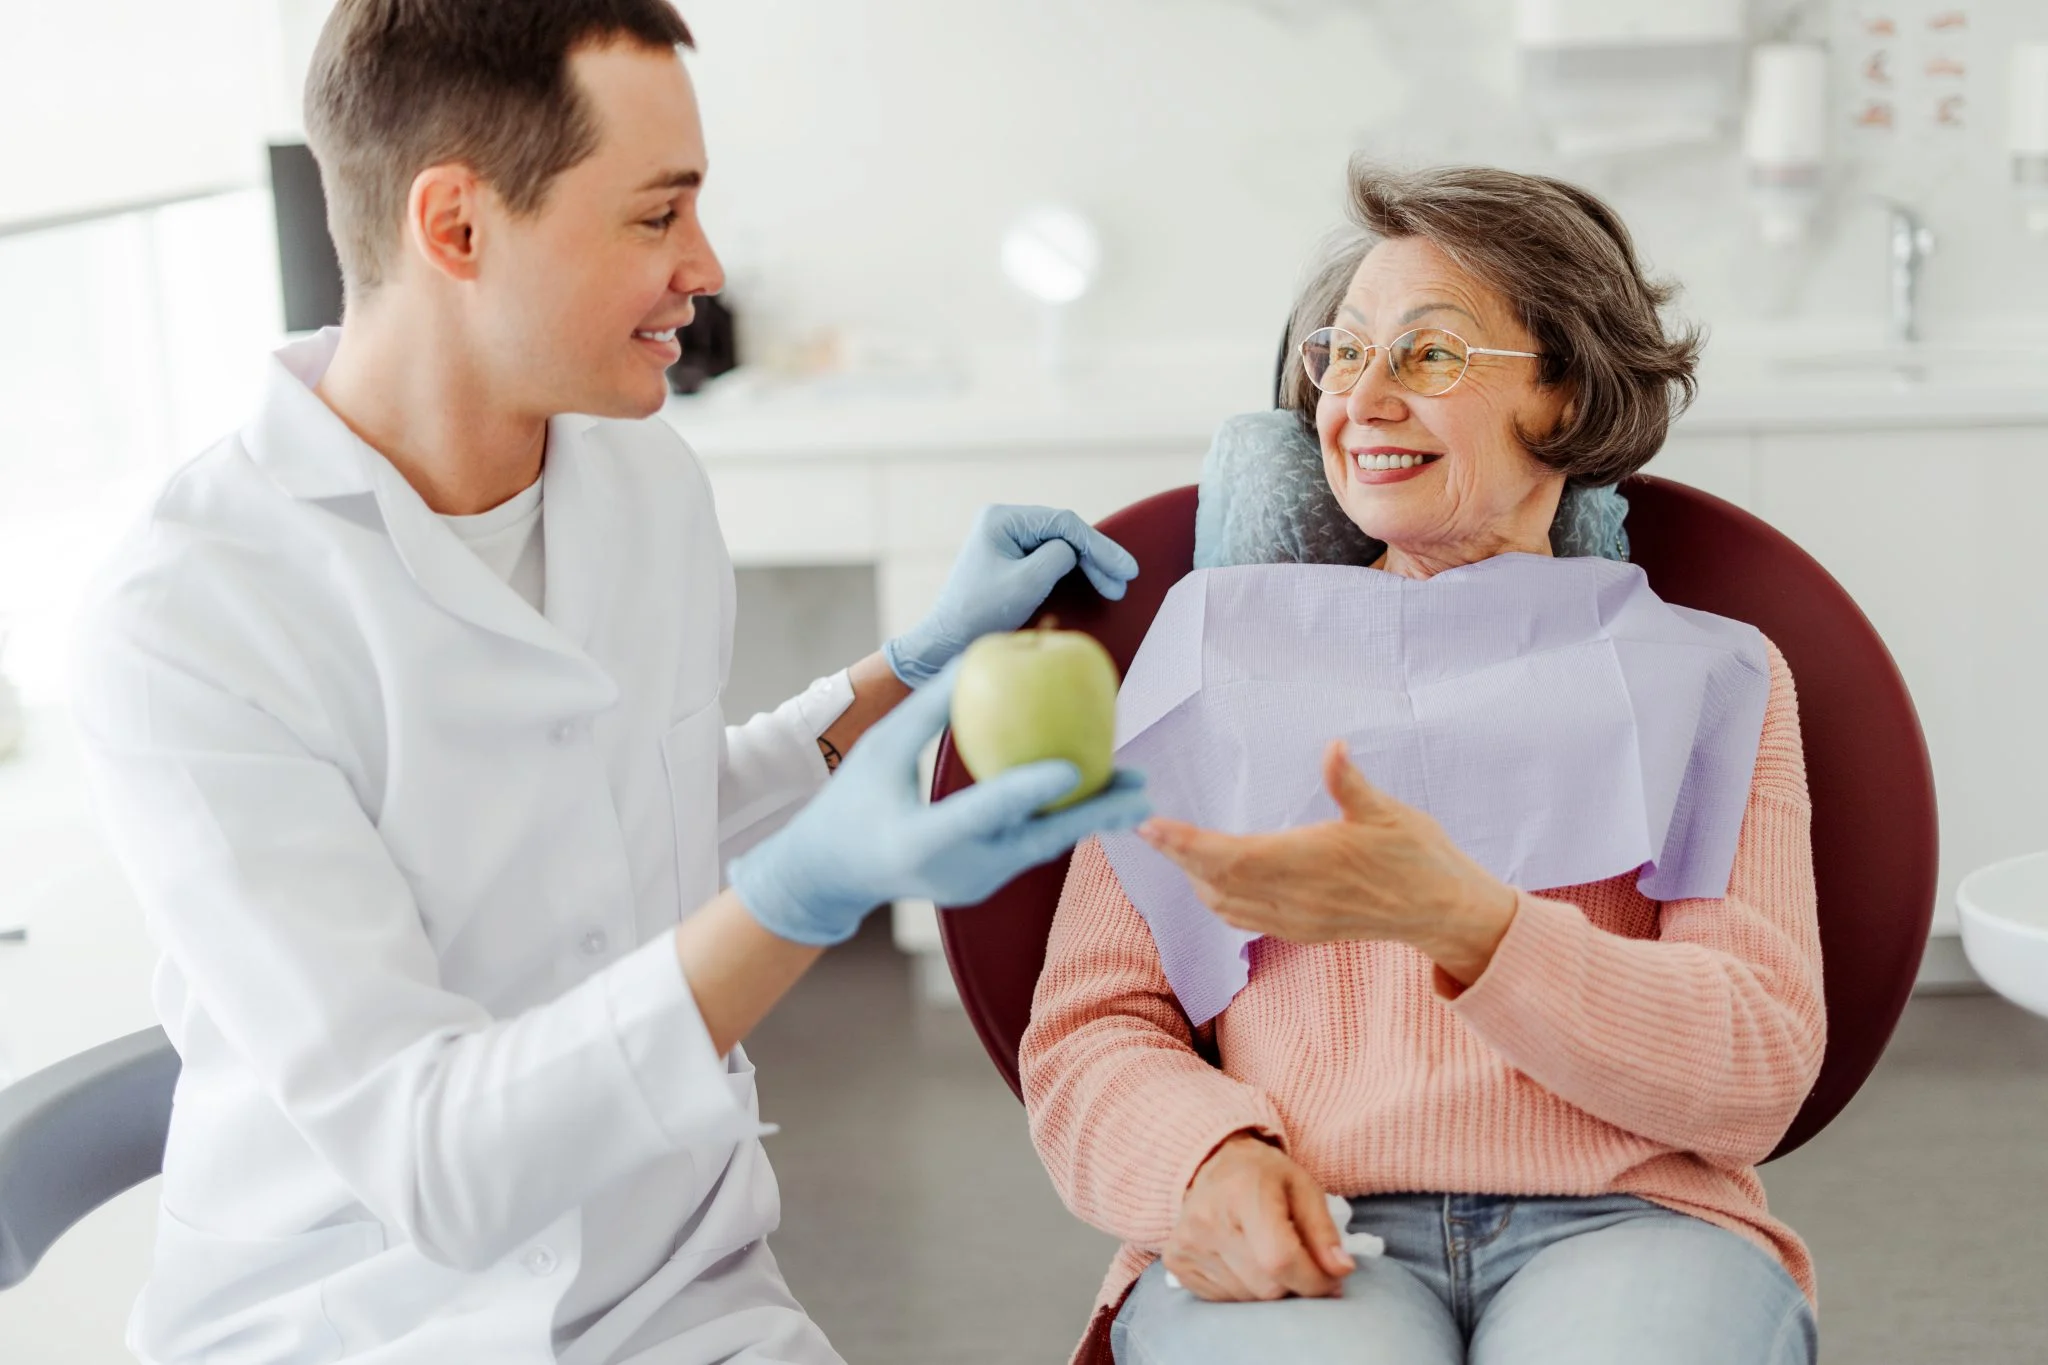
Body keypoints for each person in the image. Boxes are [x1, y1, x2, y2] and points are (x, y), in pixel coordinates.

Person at [69, 4, 1148, 1363]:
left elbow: (636, 820)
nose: (705, 266)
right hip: (358, 1321)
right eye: (655, 216)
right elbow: (434, 1164)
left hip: (676, 1288)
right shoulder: (191, 618)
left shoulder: (644, 482)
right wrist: (800, 899)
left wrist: (906, 670)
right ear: (457, 226)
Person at [1020, 163, 1825, 1365]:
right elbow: (1090, 1026)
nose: (1361, 399)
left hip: (1632, 1223)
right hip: (1307, 1215)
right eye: (1343, 355)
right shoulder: (1209, 654)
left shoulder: (1710, 679)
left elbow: (1752, 1065)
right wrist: (1205, 1160)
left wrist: (1472, 926)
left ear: (1564, 394)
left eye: (1429, 355)